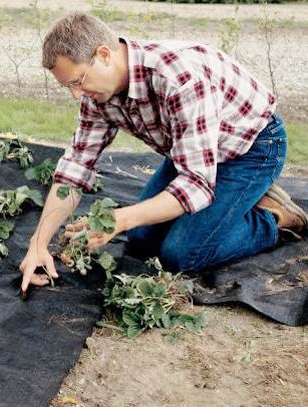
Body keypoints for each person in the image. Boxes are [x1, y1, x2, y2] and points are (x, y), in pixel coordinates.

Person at [19, 13, 308, 293]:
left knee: (181, 255)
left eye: (77, 81)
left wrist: (119, 219)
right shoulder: (97, 94)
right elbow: (75, 167)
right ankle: (235, 202)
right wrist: (38, 244)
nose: (75, 95)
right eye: (67, 86)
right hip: (194, 151)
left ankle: (274, 219)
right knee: (141, 239)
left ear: (104, 55)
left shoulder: (178, 78)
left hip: (252, 147)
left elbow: (196, 184)